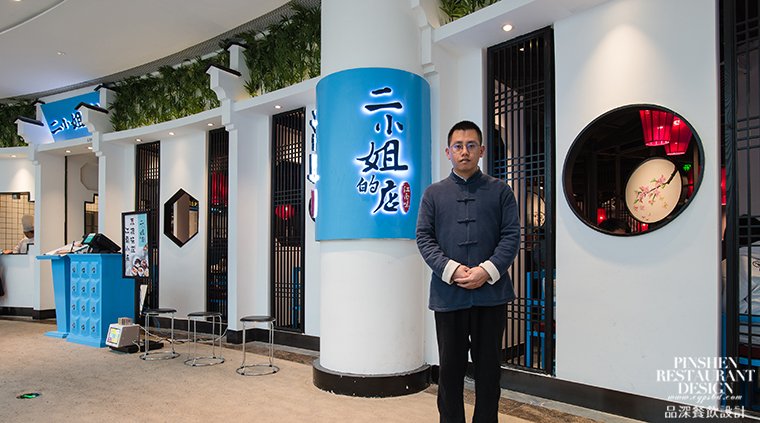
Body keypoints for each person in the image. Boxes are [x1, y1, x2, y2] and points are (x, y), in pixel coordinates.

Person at [416, 120, 520, 422]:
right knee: (450, 372)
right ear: (448, 152)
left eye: (471, 145)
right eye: (458, 146)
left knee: (489, 372)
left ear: (482, 150)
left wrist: (486, 270)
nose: (465, 151)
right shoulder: (433, 194)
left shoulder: (501, 191)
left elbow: (511, 236)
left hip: (492, 296)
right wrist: (451, 269)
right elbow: (424, 238)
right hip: (448, 296)